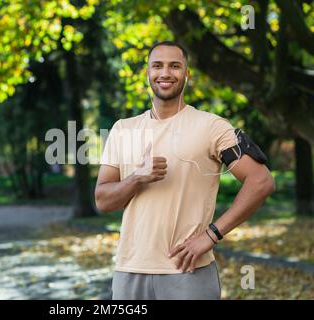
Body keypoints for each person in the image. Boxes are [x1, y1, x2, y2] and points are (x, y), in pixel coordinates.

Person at [95, 41, 275, 300]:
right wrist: (136, 178)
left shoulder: (212, 127)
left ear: (187, 74)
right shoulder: (123, 129)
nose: (165, 73)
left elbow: (261, 181)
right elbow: (103, 200)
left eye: (175, 66)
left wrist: (212, 235)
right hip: (129, 272)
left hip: (188, 271)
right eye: (157, 66)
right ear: (147, 73)